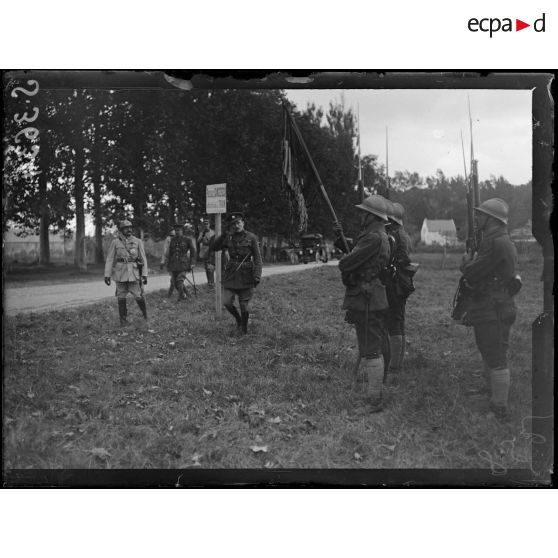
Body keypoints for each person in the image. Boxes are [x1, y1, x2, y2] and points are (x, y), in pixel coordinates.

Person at [459, 198, 519, 419]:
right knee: (489, 349)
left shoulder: (495, 242)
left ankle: (499, 407)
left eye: (481, 215)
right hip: (495, 304)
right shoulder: (498, 239)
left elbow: (473, 272)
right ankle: (491, 393)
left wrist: (466, 262)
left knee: (495, 356)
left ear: (492, 220)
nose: (477, 219)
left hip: (493, 306)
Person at [336, 195, 391, 413]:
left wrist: (347, 260)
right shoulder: (377, 235)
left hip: (367, 297)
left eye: (363, 212)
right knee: (371, 346)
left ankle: (374, 400)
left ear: (371, 216)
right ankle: (373, 394)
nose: (360, 215)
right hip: (371, 295)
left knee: (371, 349)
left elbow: (346, 263)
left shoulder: (373, 238)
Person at [212, 212, 262, 334]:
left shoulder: (251, 237)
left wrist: (257, 275)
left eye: (238, 222)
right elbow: (214, 247)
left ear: (243, 223)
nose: (237, 225)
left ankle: (244, 329)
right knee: (227, 301)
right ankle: (239, 321)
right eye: (234, 223)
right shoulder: (229, 237)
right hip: (231, 274)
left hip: (246, 274)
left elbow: (258, 258)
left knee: (244, 305)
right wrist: (224, 234)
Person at [384, 201, 416, 386]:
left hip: (394, 283)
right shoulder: (402, 235)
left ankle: (394, 367)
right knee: (398, 322)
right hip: (401, 283)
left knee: (393, 323)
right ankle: (397, 364)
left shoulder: (394, 236)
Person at [104, 219, 148, 325]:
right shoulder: (115, 242)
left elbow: (143, 259)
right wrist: (107, 275)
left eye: (130, 227)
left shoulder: (138, 241)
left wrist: (144, 274)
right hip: (120, 273)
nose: (129, 230)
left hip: (133, 273)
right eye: (126, 228)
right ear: (121, 230)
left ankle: (145, 314)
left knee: (138, 295)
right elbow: (110, 259)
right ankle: (123, 320)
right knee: (121, 296)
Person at [165, 222, 197, 301]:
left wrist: (192, 263)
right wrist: (168, 264)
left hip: (183, 264)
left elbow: (193, 252)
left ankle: (180, 299)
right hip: (173, 264)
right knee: (174, 282)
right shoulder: (172, 240)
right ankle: (186, 295)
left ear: (182, 231)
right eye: (176, 230)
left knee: (179, 281)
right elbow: (170, 253)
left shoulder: (187, 240)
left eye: (178, 230)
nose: (177, 232)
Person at [197, 218, 216, 289]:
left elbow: (214, 241)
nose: (205, 225)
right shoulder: (202, 233)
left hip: (211, 251)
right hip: (204, 252)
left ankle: (212, 283)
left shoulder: (213, 232)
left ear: (209, 224)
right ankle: (209, 282)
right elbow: (198, 241)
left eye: (207, 224)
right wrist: (202, 235)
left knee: (210, 267)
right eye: (204, 224)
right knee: (206, 268)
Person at [160, 229, 176, 298]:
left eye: (173, 235)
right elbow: (165, 250)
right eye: (171, 235)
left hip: (179, 262)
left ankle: (171, 294)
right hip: (170, 262)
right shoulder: (168, 239)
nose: (172, 237)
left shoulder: (180, 239)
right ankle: (183, 294)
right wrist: (162, 261)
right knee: (173, 278)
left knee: (176, 279)